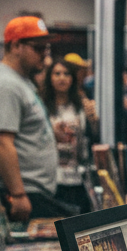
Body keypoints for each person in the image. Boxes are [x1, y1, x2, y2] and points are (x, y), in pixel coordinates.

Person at [0, 16, 62, 221]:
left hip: (34, 191)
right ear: (16, 46)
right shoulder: (5, 85)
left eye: (47, 48)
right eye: (38, 48)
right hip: (21, 194)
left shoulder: (20, 80)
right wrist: (18, 194)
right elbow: (1, 142)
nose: (45, 54)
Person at [40, 59, 92, 214]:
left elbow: (89, 138)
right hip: (52, 177)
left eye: (66, 74)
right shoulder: (42, 106)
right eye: (57, 74)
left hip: (78, 176)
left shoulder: (81, 106)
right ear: (50, 78)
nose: (62, 78)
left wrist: (94, 121)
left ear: (72, 79)